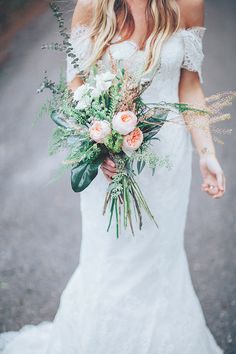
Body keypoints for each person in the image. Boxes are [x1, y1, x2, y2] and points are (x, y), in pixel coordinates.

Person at [0, 0, 225, 353]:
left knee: (158, 260)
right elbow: (76, 82)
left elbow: (190, 84)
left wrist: (207, 153)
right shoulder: (92, 6)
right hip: (109, 160)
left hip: (166, 161)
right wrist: (102, 142)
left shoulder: (188, 5)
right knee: (110, 259)